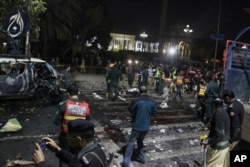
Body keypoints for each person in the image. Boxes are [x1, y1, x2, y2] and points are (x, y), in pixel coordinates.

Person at [32, 119, 107, 167]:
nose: (69, 140)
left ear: (78, 140)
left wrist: (40, 163)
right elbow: (75, 160)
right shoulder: (96, 150)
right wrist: (58, 149)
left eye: (70, 137)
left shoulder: (87, 163)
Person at [53, 83, 90, 167]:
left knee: (64, 157)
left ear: (68, 94)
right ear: (79, 93)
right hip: (79, 139)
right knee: (77, 158)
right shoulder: (85, 107)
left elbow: (56, 122)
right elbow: (88, 123)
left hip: (66, 138)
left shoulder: (63, 105)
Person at [121, 86, 157, 167]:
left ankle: (126, 162)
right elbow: (154, 111)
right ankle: (141, 158)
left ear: (139, 92)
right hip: (146, 126)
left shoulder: (136, 101)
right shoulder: (152, 101)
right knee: (140, 141)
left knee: (131, 142)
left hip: (137, 125)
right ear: (146, 91)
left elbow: (130, 110)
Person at [201, 98, 230, 167]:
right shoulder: (224, 112)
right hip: (224, 145)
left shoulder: (218, 115)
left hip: (218, 148)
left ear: (214, 105)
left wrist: (209, 141)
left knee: (211, 164)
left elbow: (219, 134)